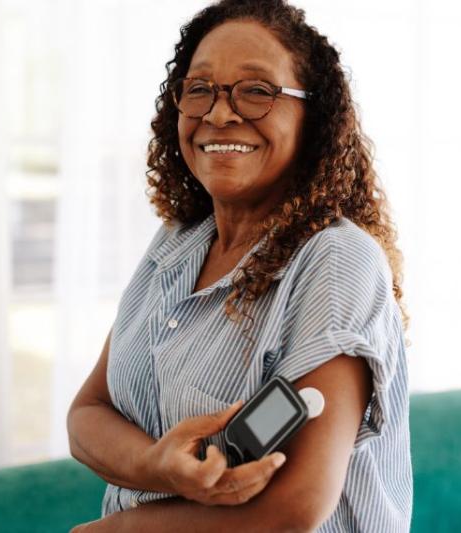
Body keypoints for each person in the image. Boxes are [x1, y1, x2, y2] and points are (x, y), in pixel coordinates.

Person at [67, 0, 412, 531]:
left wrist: (111, 530)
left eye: (256, 91)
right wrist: (159, 465)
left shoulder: (337, 260)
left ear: (312, 117)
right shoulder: (177, 243)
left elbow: (296, 506)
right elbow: (87, 414)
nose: (220, 113)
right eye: (200, 89)